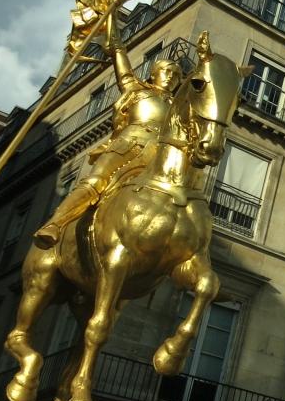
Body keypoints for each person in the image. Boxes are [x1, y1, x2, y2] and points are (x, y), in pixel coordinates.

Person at [35, 13, 184, 248]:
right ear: (153, 74)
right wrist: (113, 36)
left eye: (176, 75)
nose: (171, 77)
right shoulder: (137, 90)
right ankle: (55, 224)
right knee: (96, 181)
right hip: (128, 145)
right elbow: (121, 61)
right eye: (167, 71)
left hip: (157, 153)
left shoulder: (177, 107)